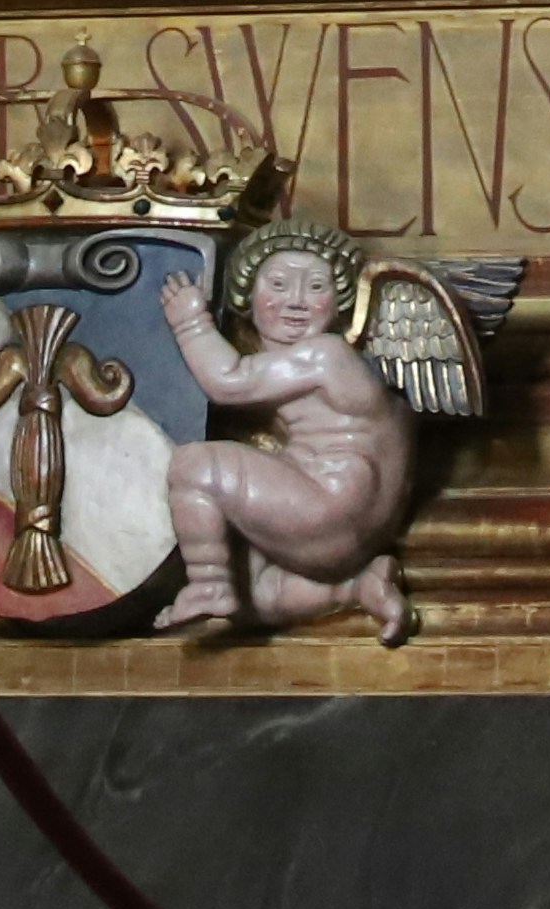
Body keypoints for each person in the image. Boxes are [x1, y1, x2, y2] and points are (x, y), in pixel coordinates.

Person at [154, 224, 415, 641]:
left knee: (194, 465)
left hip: (329, 503)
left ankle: (207, 585)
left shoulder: (326, 355)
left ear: (340, 300)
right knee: (255, 594)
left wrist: (190, 322)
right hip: (351, 525)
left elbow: (229, 380)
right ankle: (355, 586)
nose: (296, 301)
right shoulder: (330, 361)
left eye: (315, 286)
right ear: (248, 294)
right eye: (278, 284)